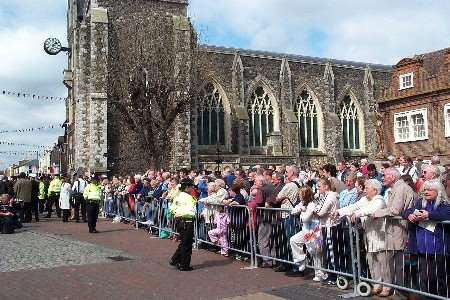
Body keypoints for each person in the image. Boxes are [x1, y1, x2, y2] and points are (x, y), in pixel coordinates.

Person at [337, 179, 387, 296]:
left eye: (367, 188)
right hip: (369, 235)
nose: (365, 190)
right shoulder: (365, 199)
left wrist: (358, 214)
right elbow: (354, 206)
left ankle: (386, 286)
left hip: (380, 235)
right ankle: (376, 284)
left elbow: (371, 210)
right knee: (372, 261)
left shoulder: (379, 200)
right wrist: (339, 212)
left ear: (375, 190)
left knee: (382, 262)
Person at [402, 179, 450, 299]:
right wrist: (409, 215)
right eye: (424, 190)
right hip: (422, 247)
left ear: (438, 192)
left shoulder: (444, 204)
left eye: (429, 190)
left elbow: (446, 214)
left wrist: (429, 215)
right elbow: (406, 211)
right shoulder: (420, 202)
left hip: (438, 248)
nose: (426, 192)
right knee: (425, 277)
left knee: (440, 278)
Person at [372, 167, 416, 297]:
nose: (382, 178)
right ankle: (398, 291)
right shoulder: (397, 188)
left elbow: (395, 210)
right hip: (394, 230)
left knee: (399, 264)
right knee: (395, 263)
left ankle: (400, 293)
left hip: (399, 230)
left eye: (384, 175)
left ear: (392, 177)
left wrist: (377, 213)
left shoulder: (401, 188)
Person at [169, 178, 197, 271]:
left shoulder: (177, 196)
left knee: (183, 242)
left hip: (178, 221)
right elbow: (190, 211)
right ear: (188, 187)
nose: (193, 188)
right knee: (187, 244)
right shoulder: (189, 198)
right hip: (187, 222)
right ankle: (184, 265)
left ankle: (175, 259)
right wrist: (194, 214)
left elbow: (172, 208)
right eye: (191, 186)